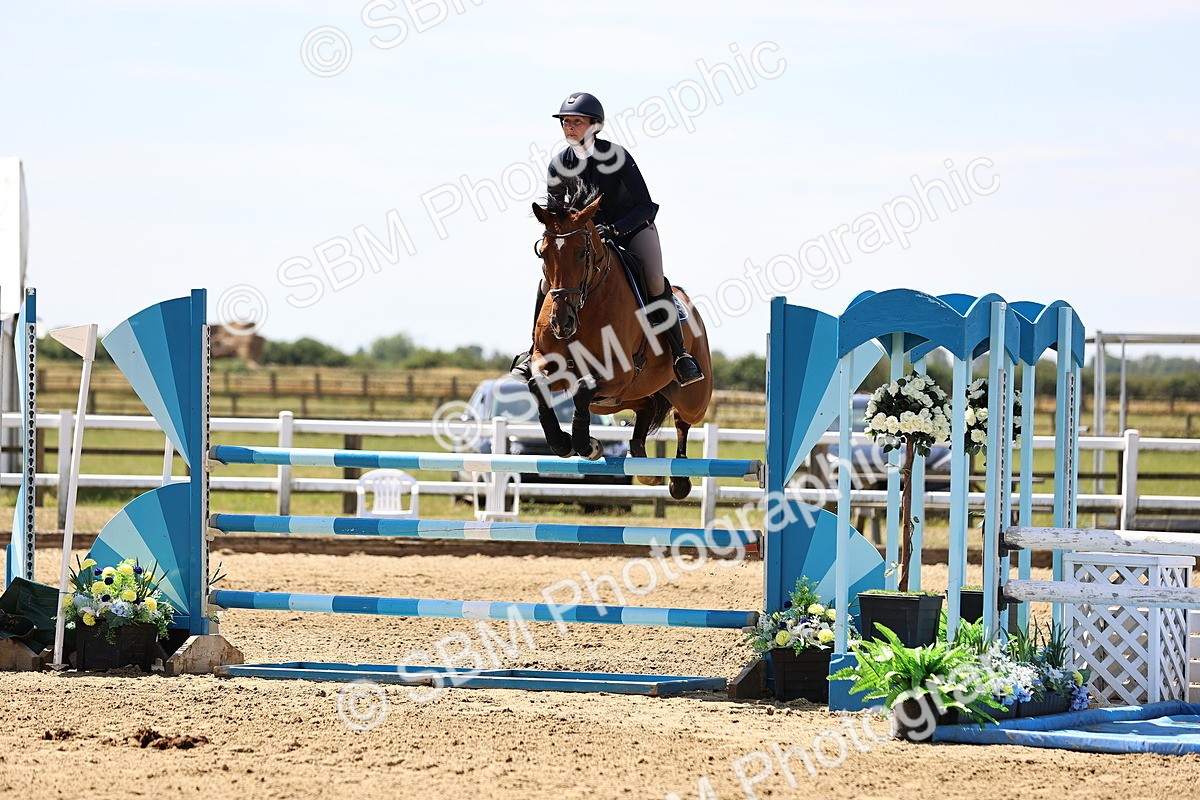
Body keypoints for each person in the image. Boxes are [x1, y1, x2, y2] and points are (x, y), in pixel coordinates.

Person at [510, 92, 704, 387]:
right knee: (548, 284)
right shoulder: (558, 165)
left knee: (653, 279)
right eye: (565, 122)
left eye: (577, 121)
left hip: (632, 228)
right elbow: (556, 216)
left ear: (595, 126)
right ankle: (534, 349)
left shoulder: (617, 158)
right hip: (584, 239)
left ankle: (680, 355)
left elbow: (645, 206)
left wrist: (614, 230)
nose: (569, 127)